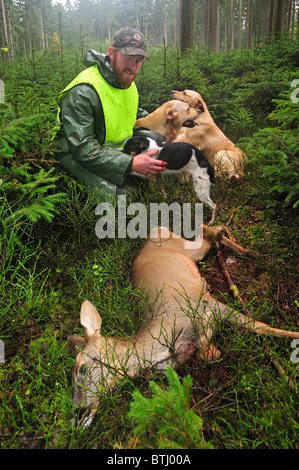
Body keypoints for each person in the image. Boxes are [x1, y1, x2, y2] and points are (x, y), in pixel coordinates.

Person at [53, 27, 167, 199]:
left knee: (157, 139)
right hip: (75, 154)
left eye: (139, 60)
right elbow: (82, 148)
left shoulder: (126, 82)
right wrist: (130, 164)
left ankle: (135, 178)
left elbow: (133, 113)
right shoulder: (83, 91)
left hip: (110, 150)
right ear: (111, 52)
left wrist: (169, 122)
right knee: (123, 200)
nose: (133, 66)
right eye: (128, 58)